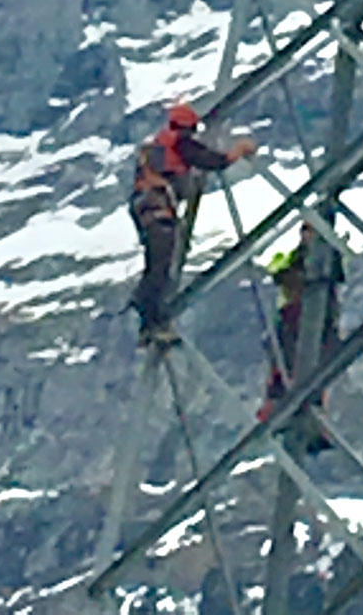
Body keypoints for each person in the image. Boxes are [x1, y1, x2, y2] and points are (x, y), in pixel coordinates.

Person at [129, 102, 256, 347]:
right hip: (158, 210)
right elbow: (210, 160)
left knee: (156, 263)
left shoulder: (158, 146)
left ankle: (147, 316)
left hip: (144, 207)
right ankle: (153, 320)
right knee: (161, 266)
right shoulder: (180, 144)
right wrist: (238, 151)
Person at [258, 221, 343, 448]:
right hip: (292, 316)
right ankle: (281, 405)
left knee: (316, 367)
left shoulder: (329, 258)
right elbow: (279, 273)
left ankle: (310, 415)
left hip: (315, 318)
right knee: (285, 361)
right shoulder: (296, 257)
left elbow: (331, 281)